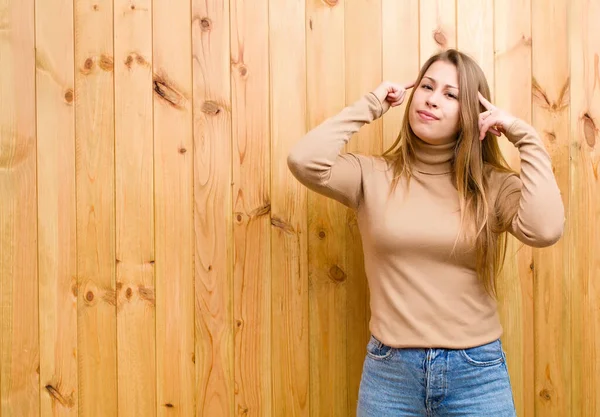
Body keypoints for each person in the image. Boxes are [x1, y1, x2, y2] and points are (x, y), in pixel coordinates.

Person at [286, 49, 564, 416]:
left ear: (471, 112)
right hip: (390, 374)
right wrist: (372, 103)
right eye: (427, 86)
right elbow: (303, 160)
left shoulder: (491, 186)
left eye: (450, 94)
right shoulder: (371, 176)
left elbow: (544, 230)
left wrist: (524, 136)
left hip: (477, 374)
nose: (433, 99)